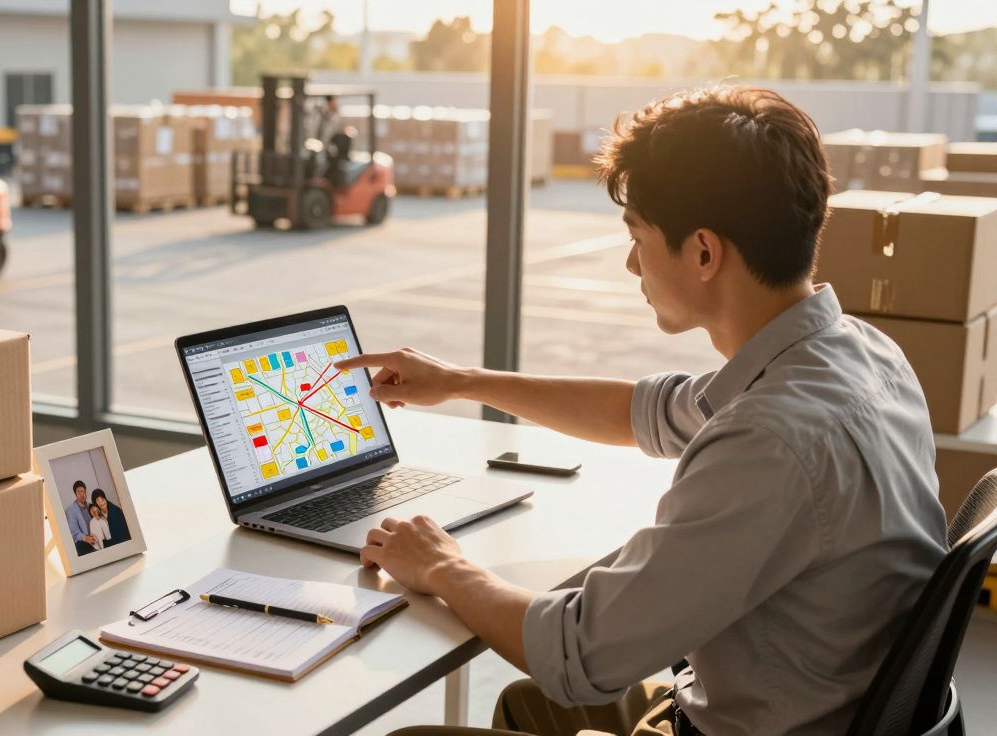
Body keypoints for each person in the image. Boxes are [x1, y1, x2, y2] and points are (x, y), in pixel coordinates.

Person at [338, 85, 947, 735]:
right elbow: (645, 411)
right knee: (525, 705)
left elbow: (575, 655)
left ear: (704, 252)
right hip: (806, 700)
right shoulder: (857, 357)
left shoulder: (770, 440)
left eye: (638, 237)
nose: (631, 263)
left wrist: (440, 564)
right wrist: (460, 380)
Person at [64, 480, 99, 556]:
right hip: (84, 545)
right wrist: (85, 538)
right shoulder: (70, 510)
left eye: (83, 491)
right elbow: (73, 531)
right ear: (75, 494)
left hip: (98, 540)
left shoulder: (91, 506)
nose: (82, 494)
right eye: (79, 492)